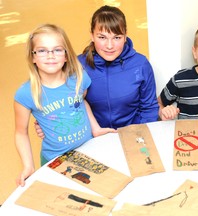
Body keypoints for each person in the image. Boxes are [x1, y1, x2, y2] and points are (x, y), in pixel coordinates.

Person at [14, 24, 115, 187]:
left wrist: (95, 128)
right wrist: (28, 166)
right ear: (32, 56)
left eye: (57, 50)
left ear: (66, 55)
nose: (50, 56)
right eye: (42, 50)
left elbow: (81, 103)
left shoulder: (79, 78)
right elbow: (20, 133)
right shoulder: (26, 94)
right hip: (55, 161)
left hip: (88, 150)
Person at [78, 5, 159, 129]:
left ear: (125, 36)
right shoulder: (78, 65)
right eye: (102, 37)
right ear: (92, 36)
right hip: (93, 136)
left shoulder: (141, 64)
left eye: (117, 37)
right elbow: (66, 104)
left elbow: (149, 108)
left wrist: (141, 136)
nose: (109, 46)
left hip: (132, 136)